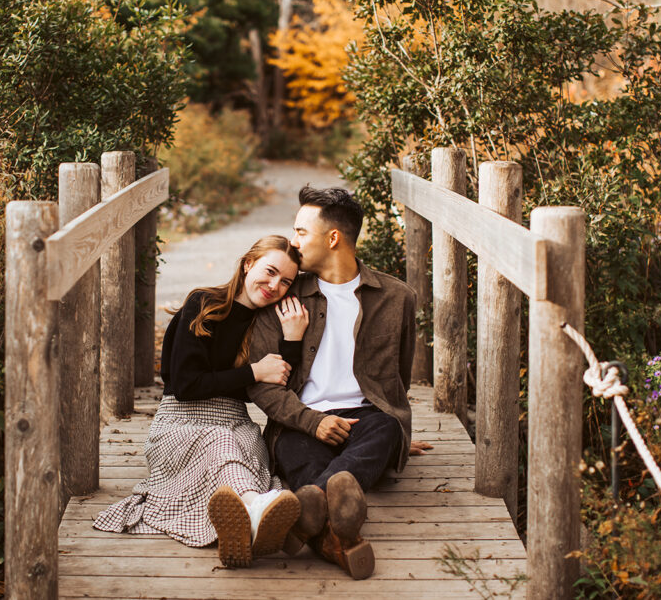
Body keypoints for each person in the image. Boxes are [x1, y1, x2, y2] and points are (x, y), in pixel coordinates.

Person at [93, 235, 310, 568]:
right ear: (248, 263)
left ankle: (242, 523)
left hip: (237, 424)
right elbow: (184, 384)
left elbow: (284, 389)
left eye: (285, 282)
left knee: (242, 444)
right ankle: (254, 510)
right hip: (181, 422)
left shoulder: (270, 323)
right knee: (219, 441)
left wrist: (292, 339)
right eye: (269, 271)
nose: (274, 285)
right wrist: (253, 372)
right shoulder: (204, 304)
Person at [247, 186, 426, 580]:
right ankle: (337, 534)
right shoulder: (282, 298)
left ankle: (305, 511)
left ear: (333, 238)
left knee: (386, 428)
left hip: (367, 423)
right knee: (297, 448)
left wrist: (398, 434)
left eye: (301, 232)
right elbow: (262, 387)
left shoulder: (397, 298)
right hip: (301, 422)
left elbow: (399, 377)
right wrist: (313, 421)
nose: (293, 242)